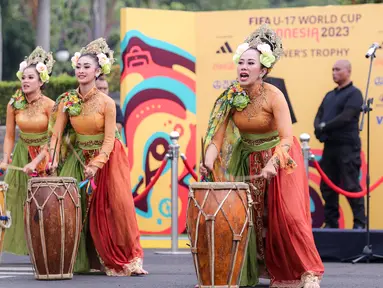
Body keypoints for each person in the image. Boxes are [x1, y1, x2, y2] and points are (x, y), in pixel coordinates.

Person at [200, 24, 324, 287]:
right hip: (248, 158)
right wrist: (208, 161)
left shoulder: (274, 96)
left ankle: (308, 271)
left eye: (250, 63)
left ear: (263, 70)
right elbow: (217, 138)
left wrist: (272, 163)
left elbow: (287, 138)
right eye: (241, 62)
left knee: (288, 217)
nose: (243, 67)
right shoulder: (230, 97)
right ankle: (257, 269)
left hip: (280, 160)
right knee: (251, 218)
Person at [48, 38, 147, 276]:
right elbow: (56, 136)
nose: (81, 71)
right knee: (74, 209)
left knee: (114, 208)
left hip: (107, 159)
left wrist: (97, 164)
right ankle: (83, 258)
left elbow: (110, 139)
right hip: (78, 158)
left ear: (97, 71)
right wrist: (51, 160)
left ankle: (124, 259)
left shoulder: (107, 103)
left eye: (86, 67)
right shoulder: (67, 101)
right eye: (79, 66)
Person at [0, 47, 55, 255]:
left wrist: (39, 161)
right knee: (15, 198)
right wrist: (6, 158)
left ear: (41, 81)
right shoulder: (14, 104)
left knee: (44, 203)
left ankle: (46, 246)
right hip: (22, 151)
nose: (25, 81)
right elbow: (9, 136)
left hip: (43, 154)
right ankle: (26, 246)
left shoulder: (50, 105)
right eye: (23, 77)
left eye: (30, 77)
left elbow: (53, 139)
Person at [314, 60, 366, 229]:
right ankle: (331, 223)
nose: (334, 72)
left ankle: (359, 223)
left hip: (347, 147)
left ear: (348, 71)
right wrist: (318, 129)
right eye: (332, 69)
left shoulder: (354, 94)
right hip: (330, 147)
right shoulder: (329, 95)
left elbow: (346, 117)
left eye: (337, 69)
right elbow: (319, 115)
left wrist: (324, 127)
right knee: (327, 186)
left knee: (350, 184)